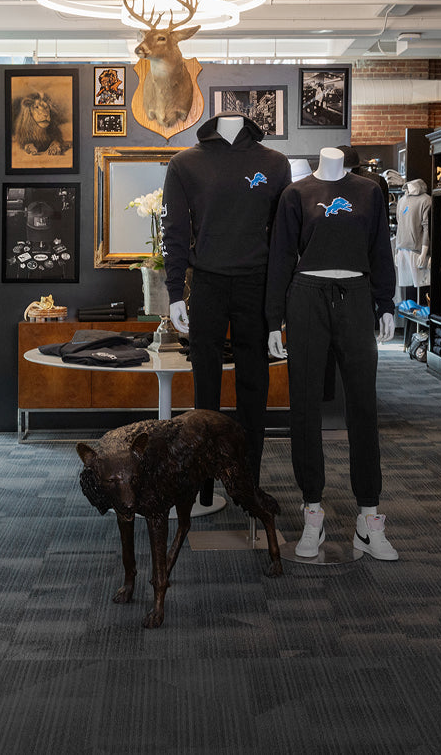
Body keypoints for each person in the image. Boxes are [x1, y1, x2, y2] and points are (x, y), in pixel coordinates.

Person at [266, 146, 398, 560]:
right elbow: (280, 257)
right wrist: (273, 319)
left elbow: (380, 249)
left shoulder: (369, 191)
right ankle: (312, 511)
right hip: (306, 296)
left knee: (363, 405)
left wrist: (386, 302)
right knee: (304, 406)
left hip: (356, 296)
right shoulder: (296, 194)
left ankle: (369, 517)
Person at [162, 112, 291, 495]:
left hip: (257, 285)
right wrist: (174, 292)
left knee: (255, 387)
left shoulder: (274, 163)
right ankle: (204, 484)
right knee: (206, 387)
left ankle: (248, 482)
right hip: (207, 284)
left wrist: (278, 304)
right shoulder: (186, 163)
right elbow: (174, 231)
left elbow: (283, 239)